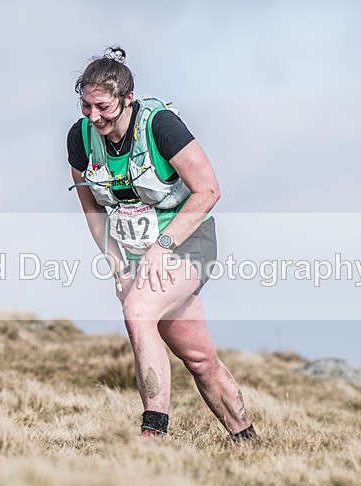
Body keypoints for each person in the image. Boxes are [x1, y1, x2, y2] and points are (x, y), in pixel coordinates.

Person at [66, 46, 256, 441]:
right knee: (199, 358)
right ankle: (247, 438)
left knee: (138, 312)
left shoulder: (161, 126)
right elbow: (91, 207)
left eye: (102, 106)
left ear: (127, 99)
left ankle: (153, 435)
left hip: (187, 241)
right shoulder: (80, 139)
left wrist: (162, 247)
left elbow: (208, 190)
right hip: (136, 253)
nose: (93, 116)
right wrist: (116, 261)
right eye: (86, 106)